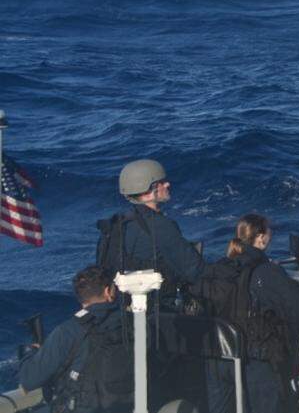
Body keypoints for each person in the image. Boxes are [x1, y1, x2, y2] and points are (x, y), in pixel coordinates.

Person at [209, 214, 299, 413]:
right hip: (255, 360)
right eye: (269, 231)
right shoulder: (267, 272)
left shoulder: (222, 267)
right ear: (261, 238)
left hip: (219, 358)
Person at [19, 266, 132, 413]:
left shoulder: (68, 331)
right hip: (127, 404)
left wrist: (30, 353)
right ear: (107, 291)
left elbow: (29, 380)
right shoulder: (132, 322)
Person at [95, 159, 205, 295]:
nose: (167, 184)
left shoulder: (114, 225)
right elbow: (195, 270)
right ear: (149, 192)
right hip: (160, 302)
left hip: (120, 301)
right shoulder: (161, 225)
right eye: (161, 183)